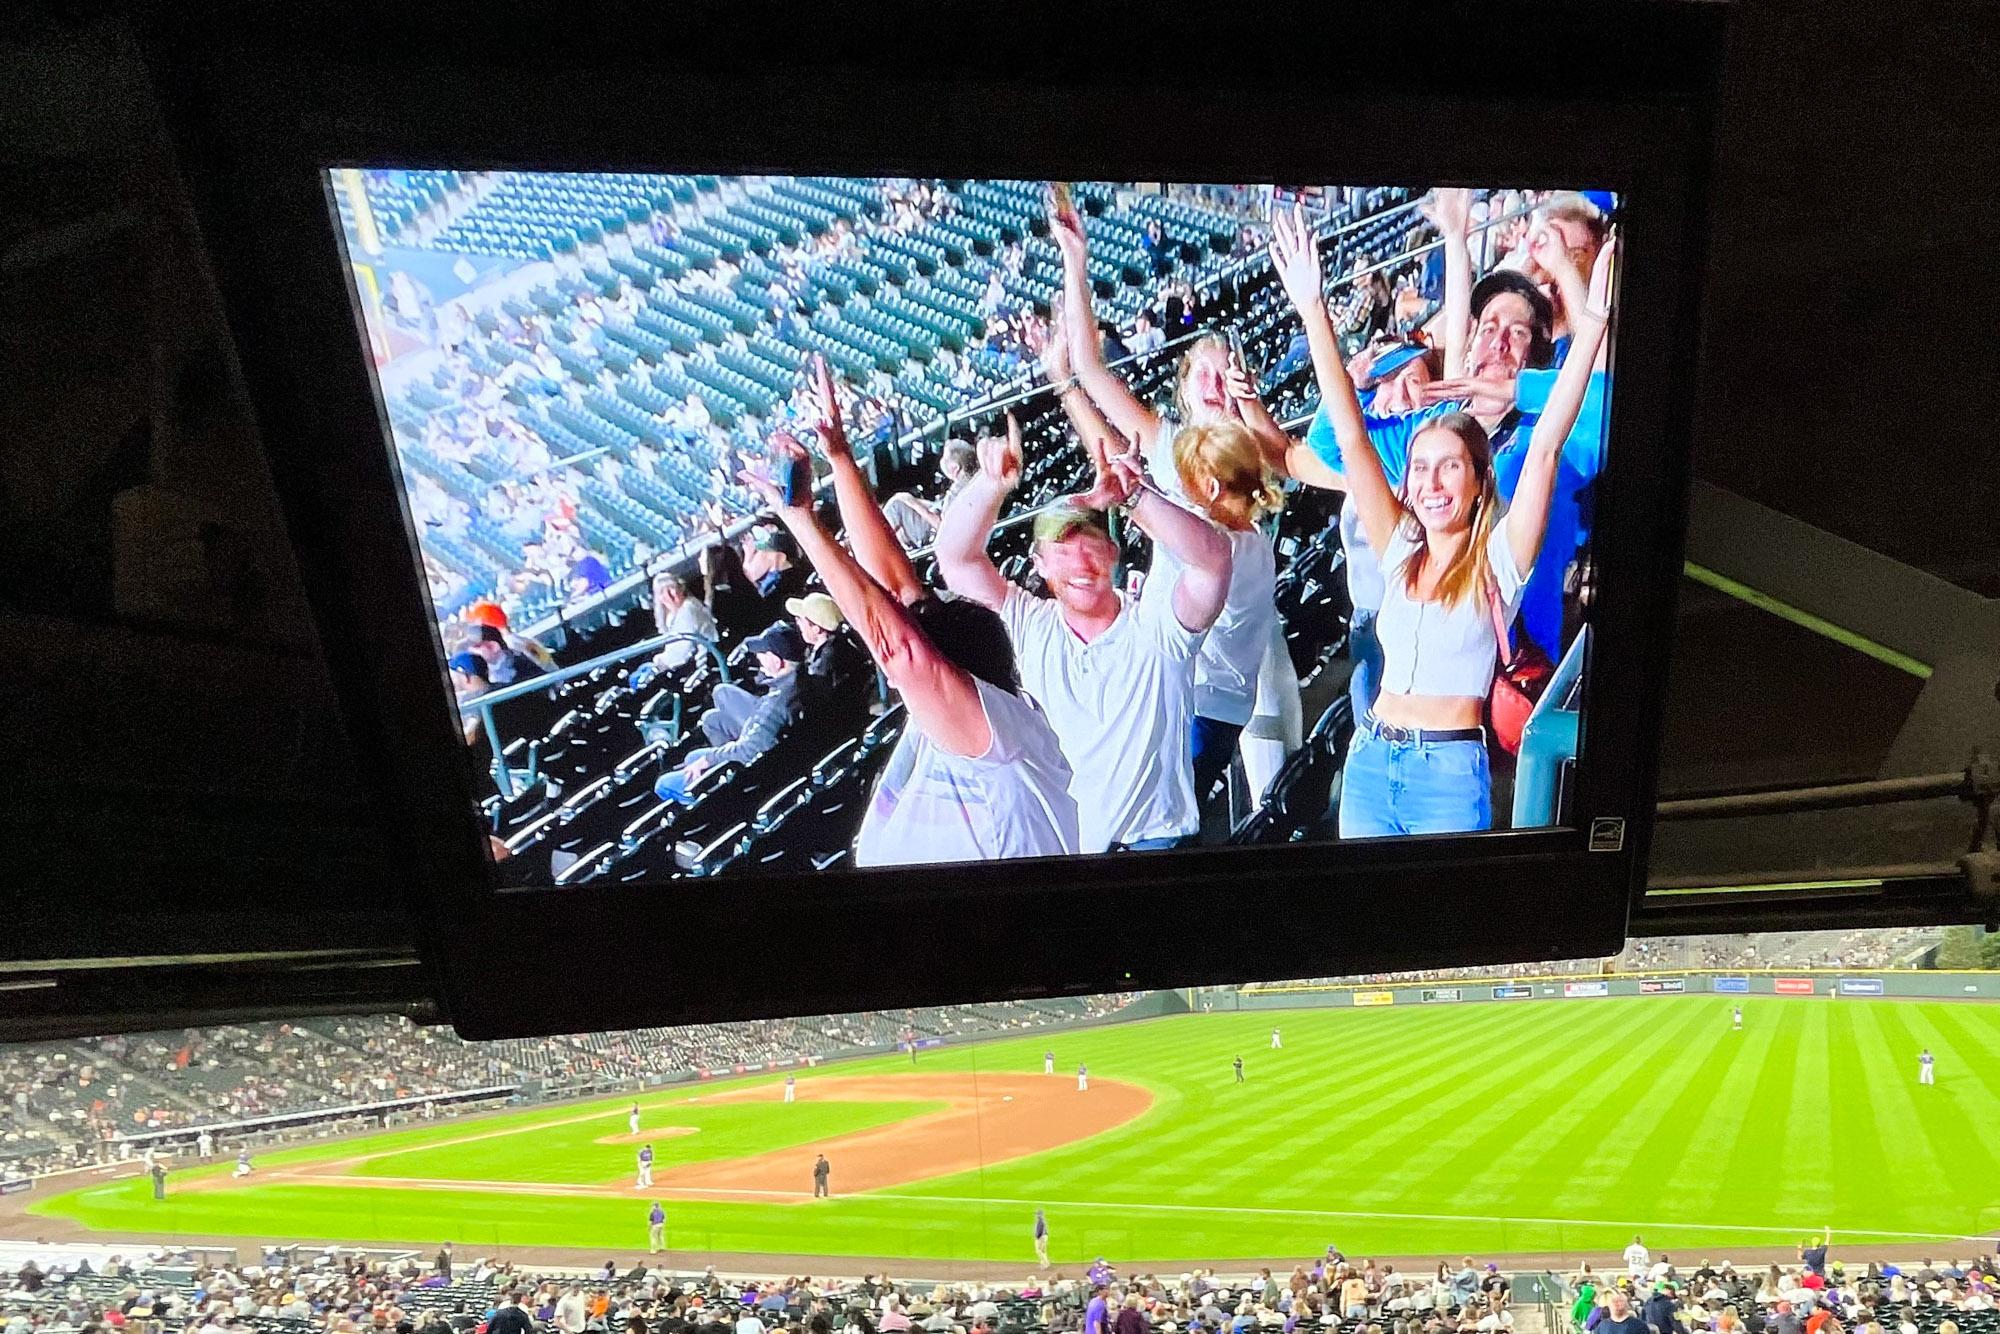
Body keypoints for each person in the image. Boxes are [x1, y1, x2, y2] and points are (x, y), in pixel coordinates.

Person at [1269, 200, 1609, 836]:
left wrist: (1588, 328)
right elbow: (1347, 432)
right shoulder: (1399, 545)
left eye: (1448, 467)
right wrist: (1314, 310)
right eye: (1420, 468)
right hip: (1370, 761)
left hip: (1449, 775)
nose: (1427, 482)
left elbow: (1546, 448)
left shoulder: (1501, 559)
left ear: (1480, 480)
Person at [736, 363, 1080, 866]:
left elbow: (900, 646)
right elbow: (897, 587)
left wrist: (803, 523)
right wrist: (840, 457)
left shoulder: (992, 735)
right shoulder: (980, 717)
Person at [1049, 199, 1287, 809]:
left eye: (1224, 370)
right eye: (1200, 372)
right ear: (1182, 391)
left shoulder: (1257, 459)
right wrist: (1076, 263)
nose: (1212, 382)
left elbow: (1266, 461)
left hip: (1205, 696)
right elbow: (1092, 368)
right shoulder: (1169, 448)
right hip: (1171, 679)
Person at [936, 416, 1231, 853]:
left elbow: (1213, 560)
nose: (1080, 566)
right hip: (1067, 850)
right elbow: (955, 558)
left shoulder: (1158, 626)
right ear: (1039, 564)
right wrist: (991, 484)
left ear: (1113, 553)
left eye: (1091, 549)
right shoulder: (1028, 624)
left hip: (1155, 846)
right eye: (1063, 552)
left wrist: (1136, 496)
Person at [652, 621, 807, 804]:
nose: (758, 658)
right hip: (770, 753)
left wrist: (708, 760)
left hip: (755, 772)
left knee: (663, 783)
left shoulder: (778, 703)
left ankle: (704, 805)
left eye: (763, 654)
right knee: (693, 754)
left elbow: (748, 751)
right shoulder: (802, 680)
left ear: (777, 661)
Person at [883, 440, 980, 550]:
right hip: (936, 511)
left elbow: (944, 528)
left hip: (932, 532)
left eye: (944, 457)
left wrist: (914, 504)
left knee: (896, 506)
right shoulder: (974, 480)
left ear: (955, 468)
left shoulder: (957, 492)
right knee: (900, 501)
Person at [786, 592, 871, 704]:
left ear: (817, 628)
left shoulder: (826, 662)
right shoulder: (839, 646)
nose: (797, 623)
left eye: (801, 619)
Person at [646, 572, 719, 674]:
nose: (671, 596)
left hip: (705, 665)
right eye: (663, 592)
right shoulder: (670, 617)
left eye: (672, 588)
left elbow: (680, 654)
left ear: (681, 589)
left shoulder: (688, 608)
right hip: (691, 664)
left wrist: (657, 662)